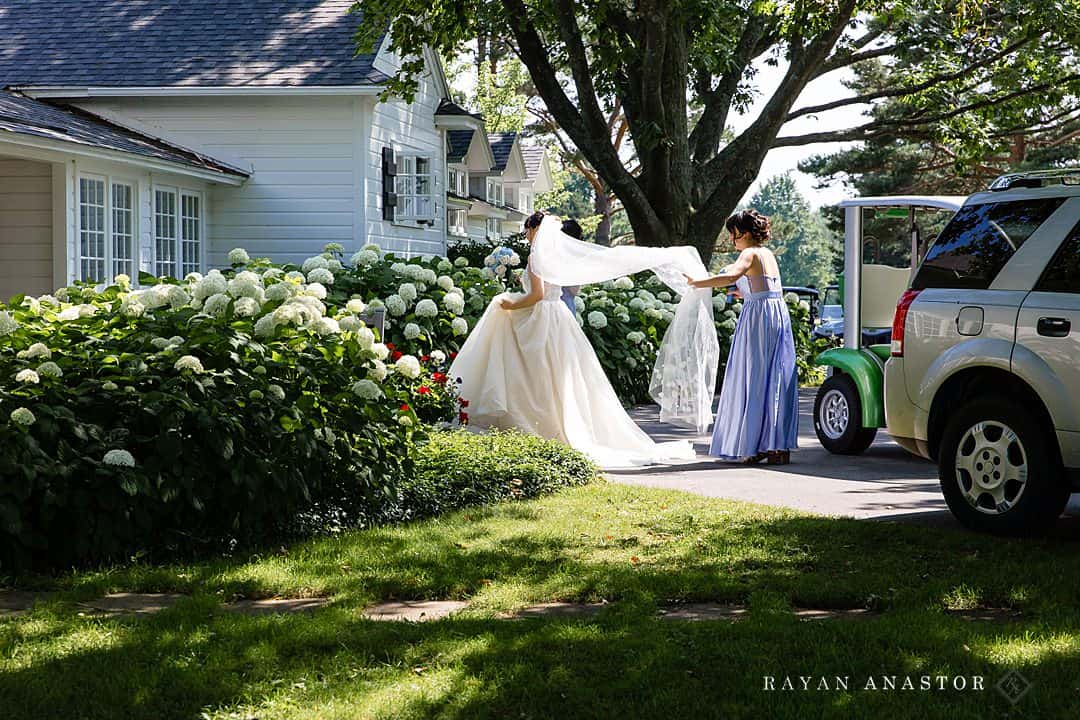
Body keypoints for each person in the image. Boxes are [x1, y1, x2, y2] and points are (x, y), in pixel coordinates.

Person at [449, 211, 719, 469]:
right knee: (557, 375)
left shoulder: (536, 257)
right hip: (558, 318)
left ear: (534, 230)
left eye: (528, 231)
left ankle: (538, 423)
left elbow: (537, 296)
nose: (527, 236)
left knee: (536, 373)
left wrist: (508, 303)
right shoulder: (555, 258)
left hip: (540, 318)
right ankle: (554, 422)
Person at [685, 210, 798, 465]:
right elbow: (763, 286)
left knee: (753, 375)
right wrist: (743, 293)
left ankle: (752, 444)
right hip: (776, 313)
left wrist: (699, 282)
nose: (732, 242)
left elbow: (732, 275)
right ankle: (776, 446)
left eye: (733, 236)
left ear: (744, 234)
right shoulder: (767, 254)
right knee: (775, 376)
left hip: (758, 317)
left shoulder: (750, 253)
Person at [558, 218, 583, 317]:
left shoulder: (554, 256)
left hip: (562, 306)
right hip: (566, 304)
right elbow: (575, 290)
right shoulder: (576, 258)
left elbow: (573, 289)